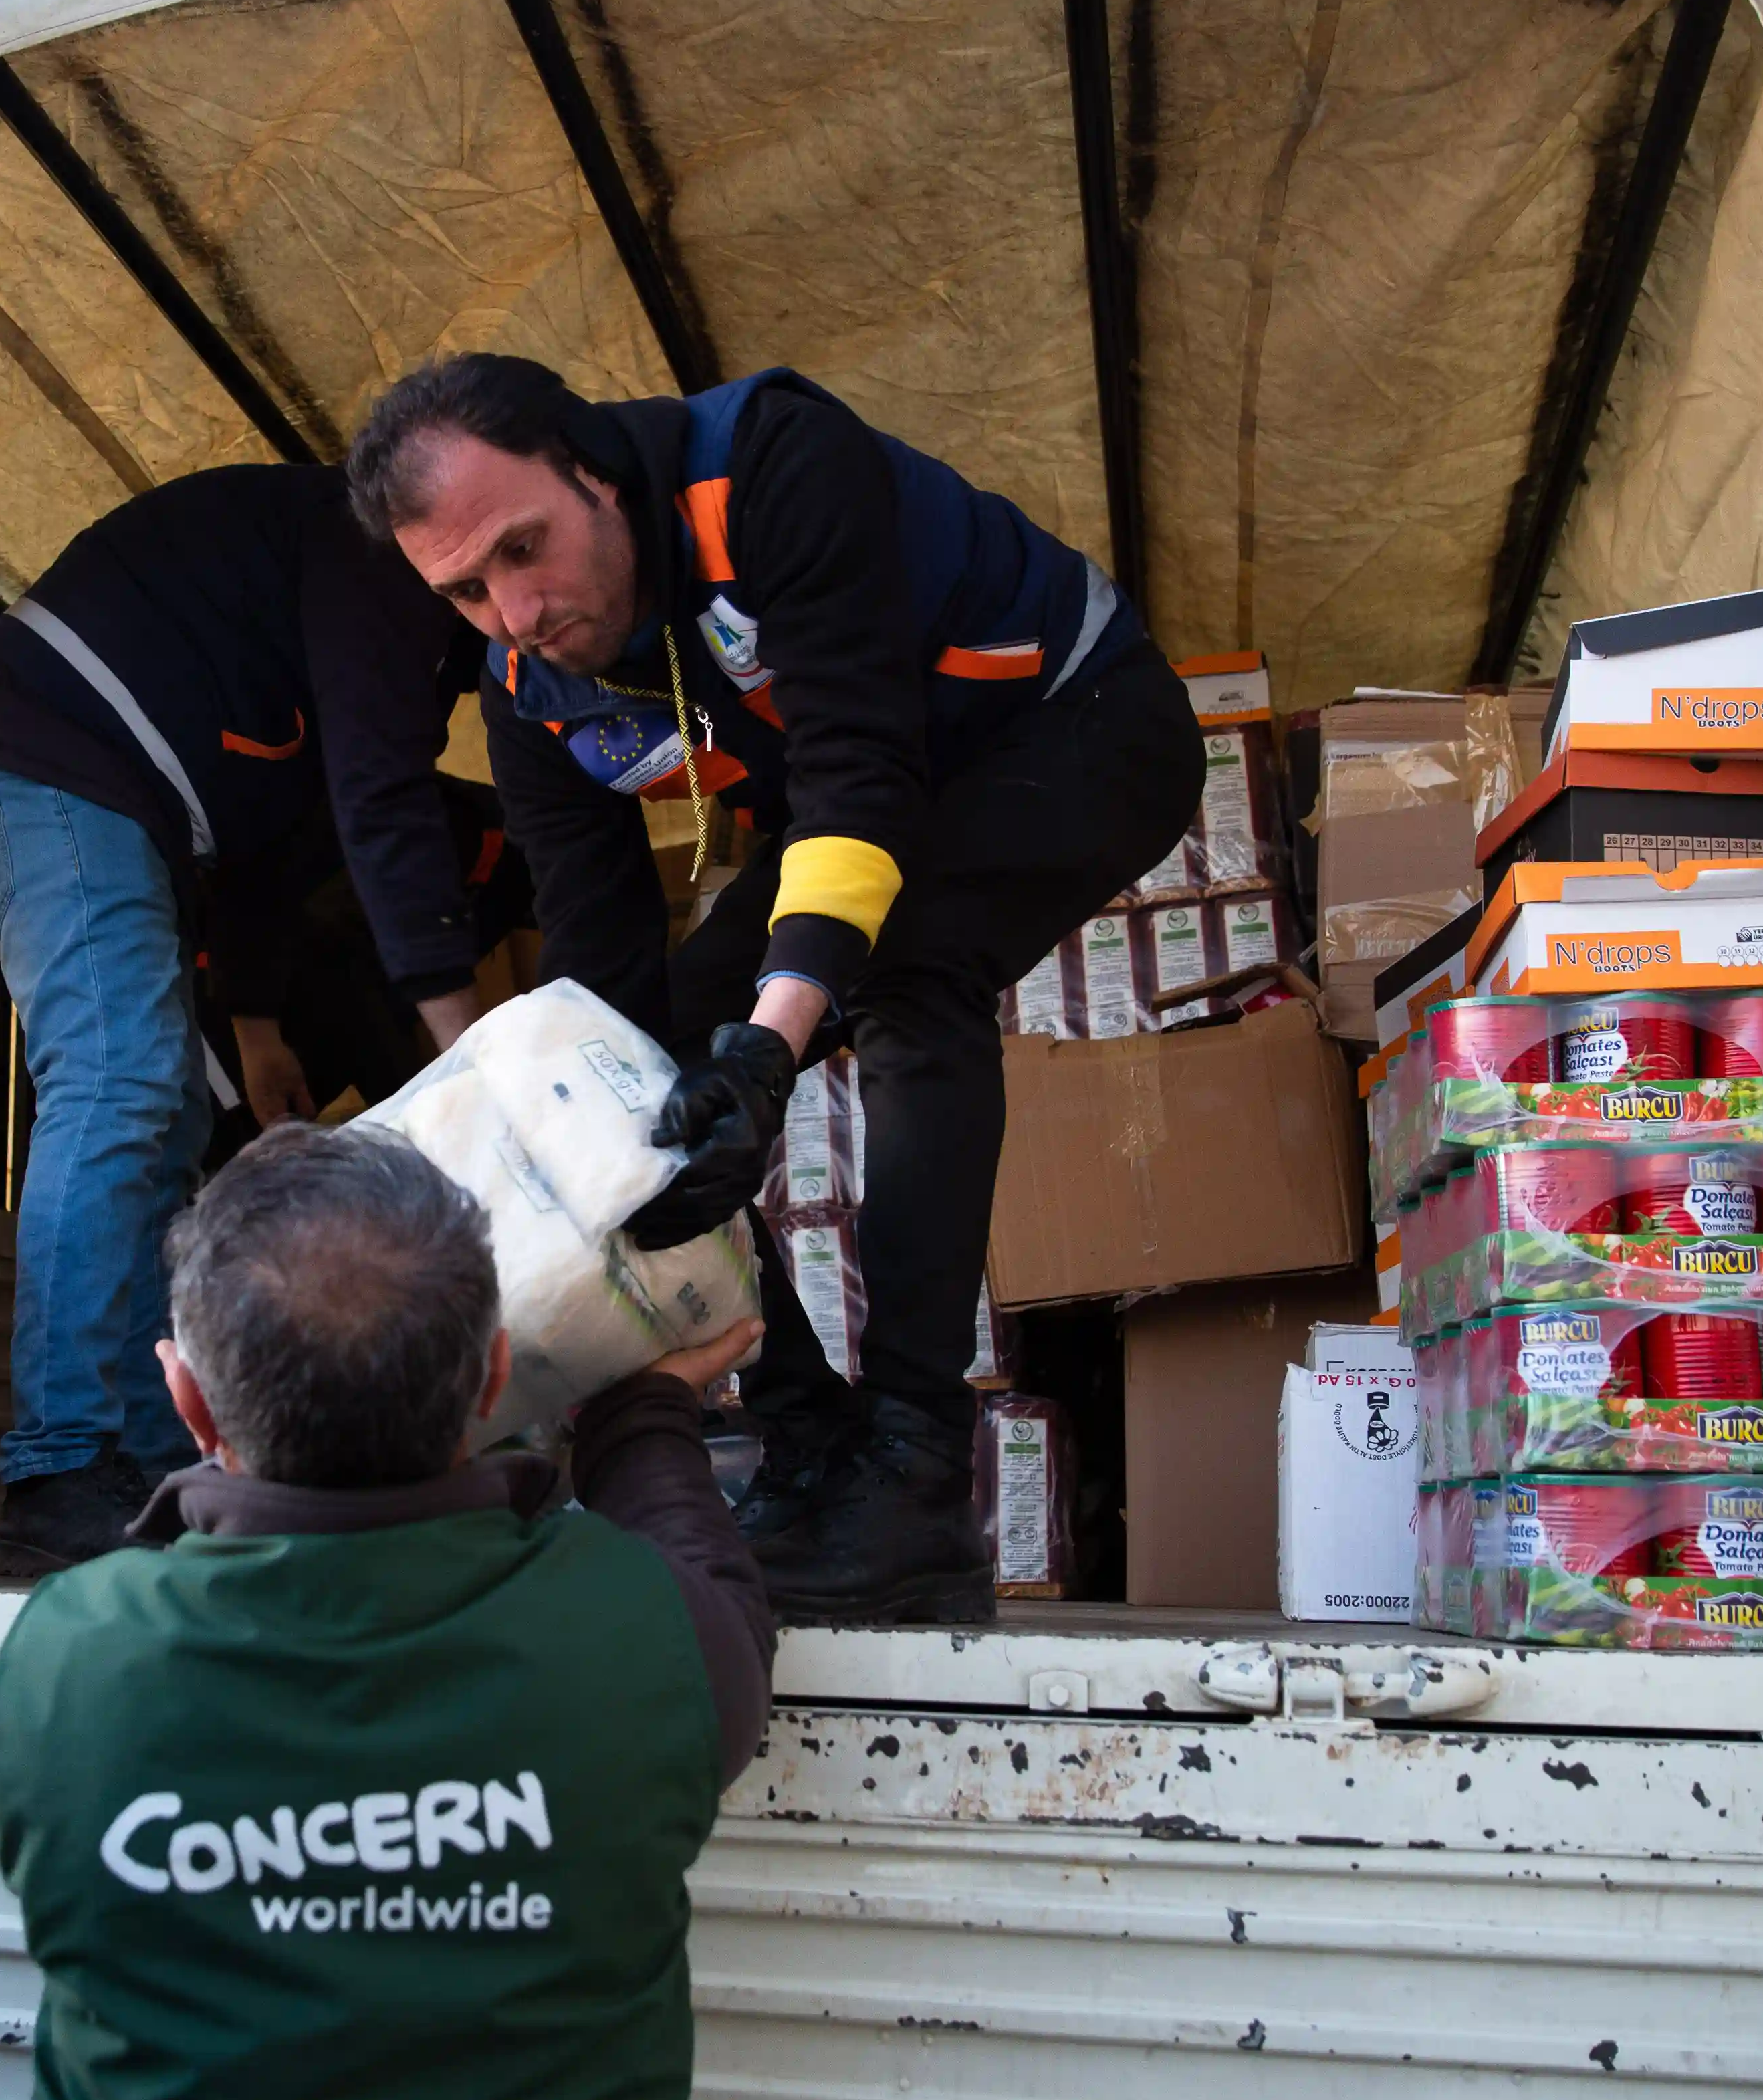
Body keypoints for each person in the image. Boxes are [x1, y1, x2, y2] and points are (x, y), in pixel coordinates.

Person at [348, 356, 1204, 1625]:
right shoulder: (527, 698)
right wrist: (598, 1138)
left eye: (524, 548)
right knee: (642, 1078)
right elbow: (598, 981)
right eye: (466, 590)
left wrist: (767, 1053)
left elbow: (861, 778)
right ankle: (811, 1443)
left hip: (1074, 726)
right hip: (868, 807)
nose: (514, 611)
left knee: (909, 973)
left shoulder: (768, 470)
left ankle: (916, 1468)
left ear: (596, 473)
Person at [0, 1123, 770, 2100]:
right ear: (497, 1377)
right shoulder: (649, 1641)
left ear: (186, 1395)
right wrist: (647, 1412)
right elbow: (705, 1579)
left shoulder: (71, 1660)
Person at [0, 464, 485, 1573]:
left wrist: (258, 1029)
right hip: (52, 757)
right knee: (119, 1084)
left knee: (169, 1114)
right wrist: (469, 1049)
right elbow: (379, 797)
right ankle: (62, 1463)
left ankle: (138, 1464)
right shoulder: (378, 560)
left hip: (133, 801)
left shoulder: (378, 637)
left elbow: (284, 839)